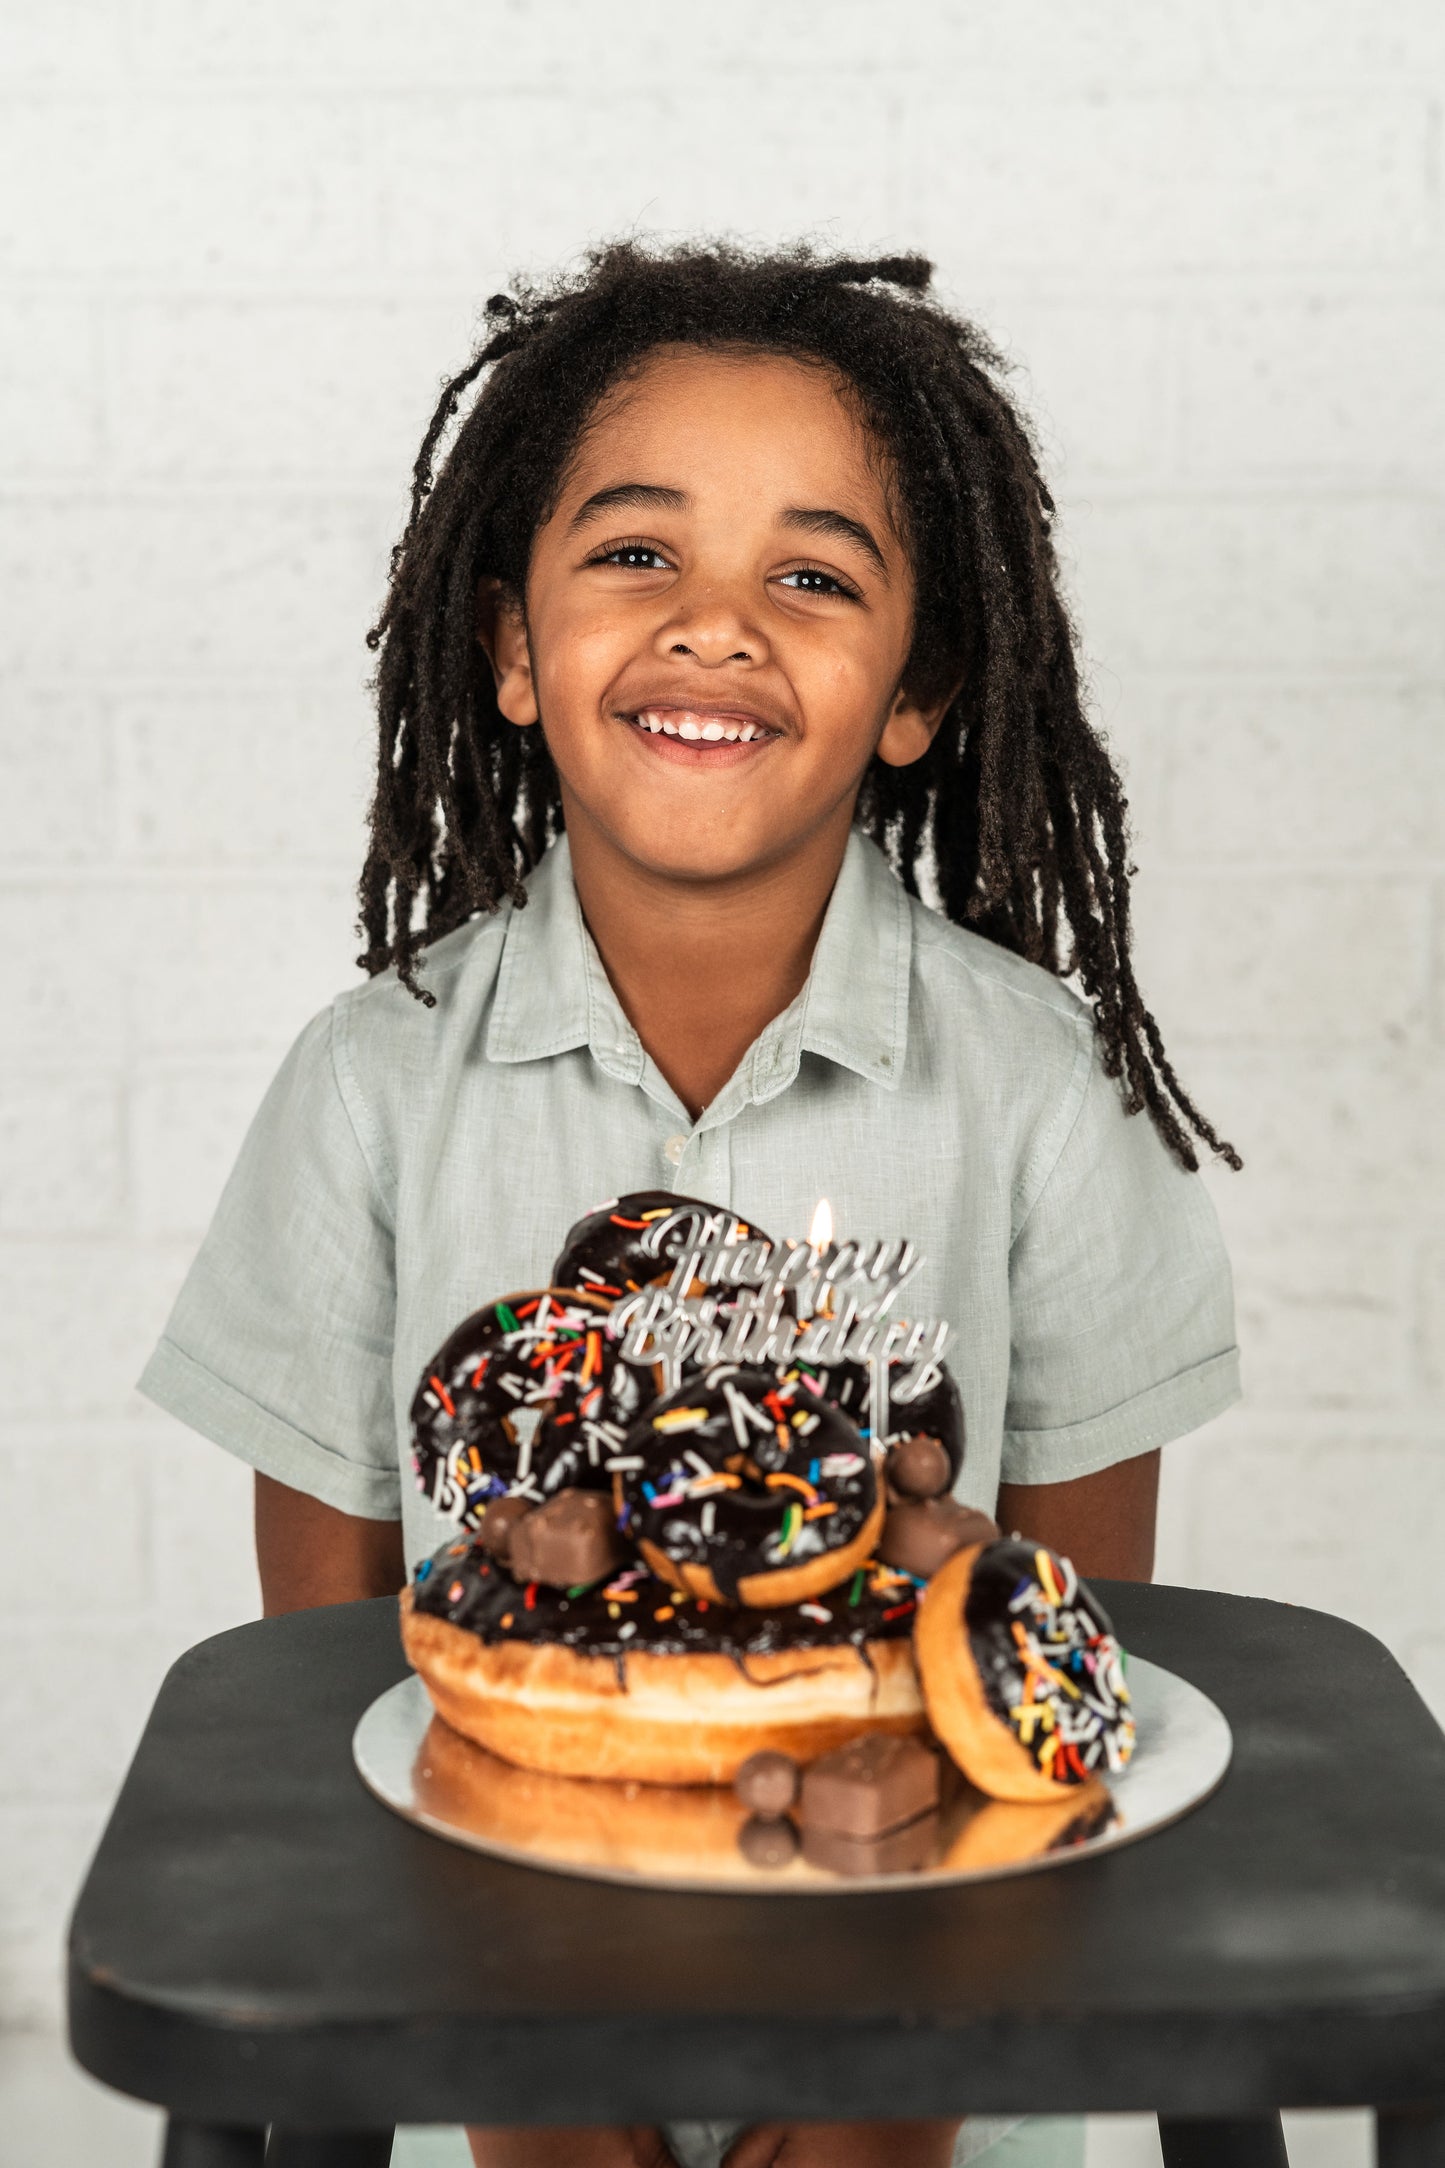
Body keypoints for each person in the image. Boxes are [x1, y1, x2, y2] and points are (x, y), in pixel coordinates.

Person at [140, 242, 1240, 2168]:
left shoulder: (1047, 1088)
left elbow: (1055, 1660)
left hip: (938, 2063)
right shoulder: (371, 1083)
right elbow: (323, 1683)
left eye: (812, 577)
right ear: (508, 646)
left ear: (915, 693)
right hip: (505, 2018)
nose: (717, 628)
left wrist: (895, 2097)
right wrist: (527, 2096)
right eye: (638, 554)